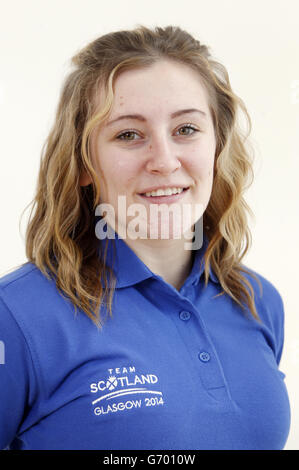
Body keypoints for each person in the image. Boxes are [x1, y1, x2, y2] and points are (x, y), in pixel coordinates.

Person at [0, 25, 290, 450]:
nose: (165, 161)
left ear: (217, 145)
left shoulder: (257, 299)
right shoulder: (16, 316)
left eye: (186, 129)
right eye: (128, 135)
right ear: (82, 163)